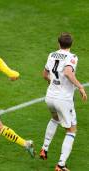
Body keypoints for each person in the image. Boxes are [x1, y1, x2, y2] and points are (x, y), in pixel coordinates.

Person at [40, 33, 87, 171]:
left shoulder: (51, 55)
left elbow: (44, 74)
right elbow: (68, 72)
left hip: (50, 97)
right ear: (71, 44)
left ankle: (44, 148)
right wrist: (80, 87)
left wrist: (53, 82)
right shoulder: (72, 57)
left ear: (58, 43)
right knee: (71, 130)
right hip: (63, 99)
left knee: (55, 119)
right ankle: (61, 165)